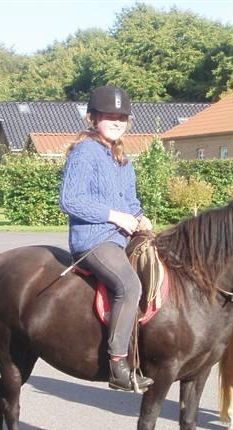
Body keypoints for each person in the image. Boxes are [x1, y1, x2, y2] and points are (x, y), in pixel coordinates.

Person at [59, 85, 154, 392]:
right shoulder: (85, 151)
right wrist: (114, 216)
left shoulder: (123, 159)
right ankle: (117, 364)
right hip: (94, 239)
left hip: (122, 237)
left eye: (122, 116)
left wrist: (140, 217)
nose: (116, 121)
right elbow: (70, 200)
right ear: (94, 118)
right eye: (109, 116)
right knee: (129, 285)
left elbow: (129, 201)